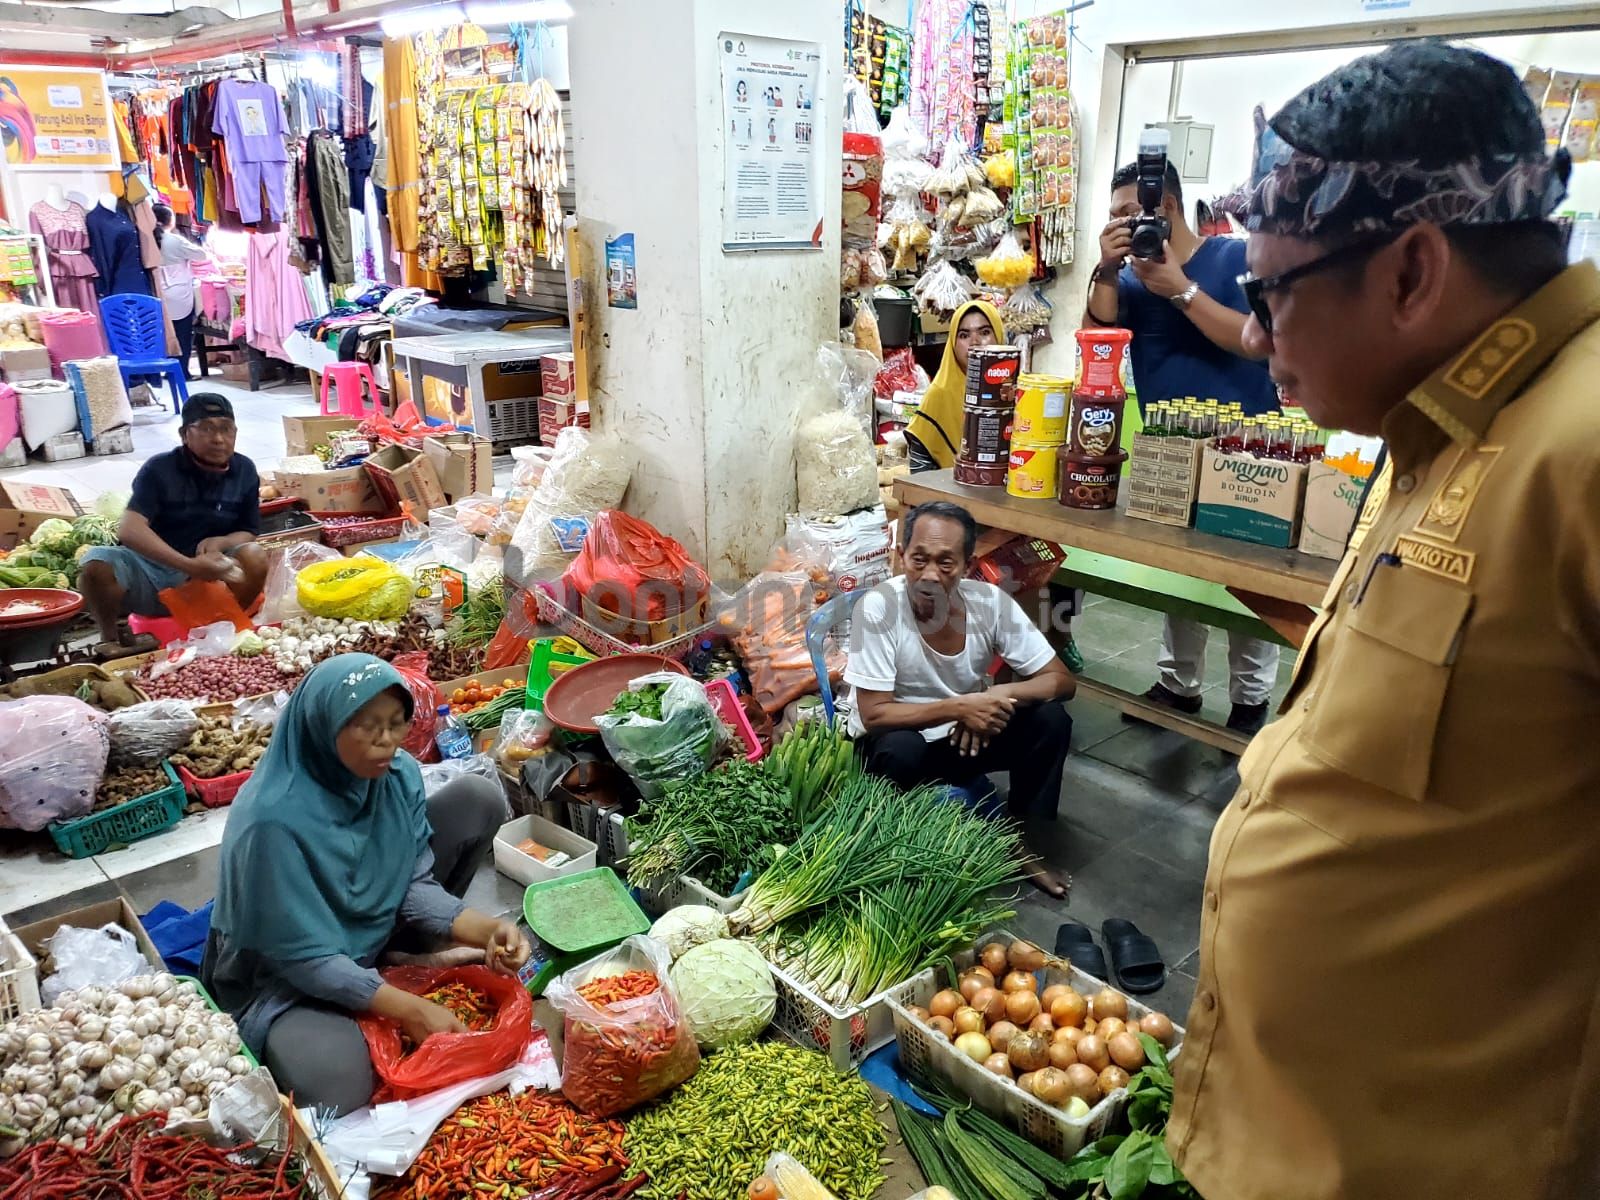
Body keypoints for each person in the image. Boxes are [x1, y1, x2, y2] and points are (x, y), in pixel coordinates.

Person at [1168, 43, 1600, 1200]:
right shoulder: (1439, 427)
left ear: (1410, 272)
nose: (1255, 335)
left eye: (1270, 293)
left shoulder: (1582, 446)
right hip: (1304, 1139)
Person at [203, 653, 527, 1116]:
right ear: (322, 725)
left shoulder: (396, 778)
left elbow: (411, 884)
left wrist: (484, 930)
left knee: (477, 798)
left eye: (397, 724)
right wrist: (411, 1010)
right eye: (366, 725)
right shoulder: (270, 822)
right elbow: (303, 962)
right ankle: (371, 980)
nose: (386, 742)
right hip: (284, 974)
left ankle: (386, 959)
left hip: (363, 929)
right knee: (338, 1088)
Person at [1085, 158, 1283, 733]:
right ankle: (1179, 684)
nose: (1123, 223)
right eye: (1114, 215)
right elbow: (1100, 335)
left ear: (1164, 207)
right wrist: (1104, 265)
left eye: (1129, 213)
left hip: (1245, 449)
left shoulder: (1235, 257)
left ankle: (1250, 700)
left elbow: (1256, 345)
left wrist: (1180, 290)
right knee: (1181, 573)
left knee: (1251, 580)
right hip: (1169, 445)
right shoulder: (1132, 277)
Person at [849, 501, 1075, 898]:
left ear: (968, 566)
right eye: (918, 559)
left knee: (1051, 721)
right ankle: (901, 844)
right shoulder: (879, 608)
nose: (930, 575)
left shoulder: (990, 603)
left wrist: (1000, 694)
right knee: (900, 750)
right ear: (899, 557)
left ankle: (1022, 839)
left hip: (966, 734)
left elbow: (1061, 680)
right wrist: (960, 707)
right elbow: (874, 713)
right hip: (898, 738)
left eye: (946, 563)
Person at [79, 393, 267, 658]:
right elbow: (129, 530)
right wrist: (189, 565)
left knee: (255, 556)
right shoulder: (160, 469)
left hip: (211, 570)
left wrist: (223, 542)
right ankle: (109, 640)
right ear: (184, 434)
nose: (218, 439)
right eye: (206, 429)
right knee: (97, 565)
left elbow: (249, 530)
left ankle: (224, 629)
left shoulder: (245, 470)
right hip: (154, 569)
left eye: (226, 429)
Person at [903, 299, 1003, 472]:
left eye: (985, 332)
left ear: (1000, 336)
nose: (975, 342)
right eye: (964, 335)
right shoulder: (940, 394)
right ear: (953, 344)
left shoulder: (1015, 392)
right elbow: (920, 471)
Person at [153, 203, 208, 377]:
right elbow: (201, 254)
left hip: (158, 290)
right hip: (179, 290)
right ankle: (181, 372)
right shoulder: (174, 240)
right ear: (168, 220)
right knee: (182, 333)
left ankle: (167, 370)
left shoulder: (146, 239)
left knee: (164, 332)